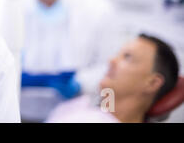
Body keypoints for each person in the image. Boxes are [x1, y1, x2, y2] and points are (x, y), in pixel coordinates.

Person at [47, 33, 180, 123]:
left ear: (152, 83)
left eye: (127, 57)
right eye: (118, 54)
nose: (112, 61)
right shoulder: (84, 105)